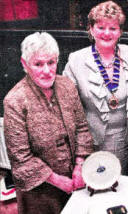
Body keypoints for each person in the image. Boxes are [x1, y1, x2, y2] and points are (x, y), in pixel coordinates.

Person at [3, 32, 93, 214]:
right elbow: (21, 159)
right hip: (40, 192)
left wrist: (80, 165)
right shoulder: (15, 100)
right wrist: (60, 181)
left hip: (75, 180)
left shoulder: (67, 85)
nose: (46, 70)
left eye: (51, 62)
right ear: (25, 64)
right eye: (38, 64)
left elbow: (82, 128)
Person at [63, 1, 128, 174]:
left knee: (118, 186)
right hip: (89, 142)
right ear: (91, 29)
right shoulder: (76, 60)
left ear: (120, 32)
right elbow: (68, 107)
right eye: (101, 27)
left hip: (123, 141)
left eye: (113, 28)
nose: (107, 33)